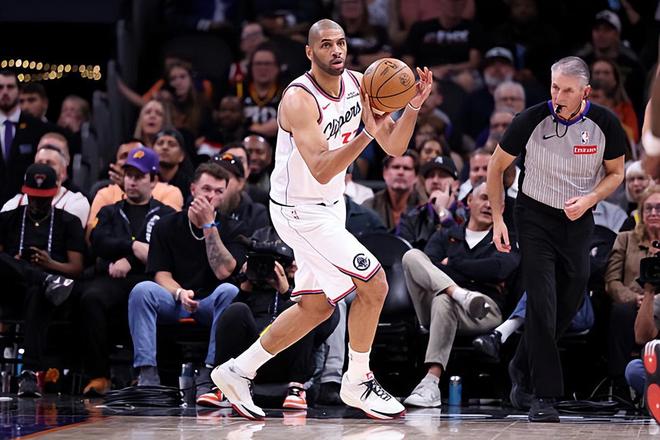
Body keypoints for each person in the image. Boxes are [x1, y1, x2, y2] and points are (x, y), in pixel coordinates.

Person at [211, 18, 432, 420]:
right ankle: (358, 380)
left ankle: (237, 371)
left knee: (316, 307)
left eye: (341, 43)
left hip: (330, 207)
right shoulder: (299, 99)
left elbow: (395, 146)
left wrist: (412, 105)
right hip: (299, 210)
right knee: (375, 282)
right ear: (310, 52)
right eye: (327, 44)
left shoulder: (362, 84)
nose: (336, 50)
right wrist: (366, 133)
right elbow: (322, 169)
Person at [486, 56, 626, 422]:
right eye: (554, 87)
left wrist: (591, 199)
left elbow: (616, 173)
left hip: (578, 218)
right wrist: (499, 219)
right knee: (542, 302)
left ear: (585, 92)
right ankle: (544, 396)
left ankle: (520, 364)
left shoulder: (605, 123)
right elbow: (495, 167)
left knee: (572, 296)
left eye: (567, 90)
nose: (558, 96)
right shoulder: (530, 119)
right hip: (533, 217)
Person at [128, 162, 248, 391]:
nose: (211, 196)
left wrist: (209, 225)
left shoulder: (234, 228)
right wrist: (179, 293)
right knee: (142, 290)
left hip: (211, 301)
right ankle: (147, 373)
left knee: (230, 291)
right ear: (193, 189)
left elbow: (224, 271)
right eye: (206, 189)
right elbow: (161, 274)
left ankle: (211, 372)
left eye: (218, 191)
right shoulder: (166, 225)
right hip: (175, 300)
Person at [401, 182, 519, 407]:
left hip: (484, 308)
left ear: (502, 209)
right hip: (432, 309)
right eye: (484, 197)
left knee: (444, 299)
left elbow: (499, 269)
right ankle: (458, 294)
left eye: (495, 201)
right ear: (468, 201)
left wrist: (453, 264)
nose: (489, 204)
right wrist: (469, 278)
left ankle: (431, 383)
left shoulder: (505, 238)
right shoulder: (445, 235)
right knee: (411, 256)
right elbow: (427, 269)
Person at [81, 147, 175, 396]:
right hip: (113, 278)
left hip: (148, 278)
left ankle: (144, 374)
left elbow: (165, 252)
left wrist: (129, 262)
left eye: (139, 176)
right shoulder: (110, 211)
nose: (132, 181)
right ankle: (99, 375)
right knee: (91, 297)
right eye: (129, 175)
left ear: (153, 180)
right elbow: (99, 241)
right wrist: (133, 247)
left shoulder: (166, 214)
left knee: (146, 297)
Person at [0, 164, 84, 396]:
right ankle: (43, 278)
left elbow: (76, 268)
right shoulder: (8, 218)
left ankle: (29, 372)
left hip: (53, 296)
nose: (37, 203)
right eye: (34, 197)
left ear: (55, 192)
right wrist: (17, 264)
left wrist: (50, 264)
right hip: (12, 290)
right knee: (20, 272)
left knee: (38, 292)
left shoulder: (68, 222)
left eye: (43, 198)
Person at [2, 136, 90, 228]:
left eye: (49, 163)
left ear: (63, 172)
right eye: (39, 163)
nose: (43, 168)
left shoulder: (75, 202)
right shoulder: (15, 203)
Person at [0, 69, 50, 204]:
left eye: (10, 87)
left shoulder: (37, 126)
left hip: (26, 203)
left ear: (19, 91)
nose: (5, 92)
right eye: (0, 87)